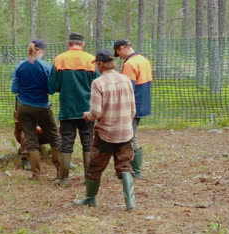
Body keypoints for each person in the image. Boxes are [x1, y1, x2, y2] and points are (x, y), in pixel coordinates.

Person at [73, 49, 137, 210]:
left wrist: (88, 115)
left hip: (105, 134)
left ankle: (90, 198)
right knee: (125, 167)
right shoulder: (125, 80)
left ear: (100, 64)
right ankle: (131, 203)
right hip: (126, 132)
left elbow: (96, 112)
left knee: (95, 167)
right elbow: (133, 109)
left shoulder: (98, 83)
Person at [48, 32, 99, 186]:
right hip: (87, 109)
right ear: (82, 44)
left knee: (66, 142)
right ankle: (89, 178)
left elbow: (52, 86)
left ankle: (63, 178)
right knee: (88, 141)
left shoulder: (60, 59)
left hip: (68, 109)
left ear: (68, 44)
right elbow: (97, 84)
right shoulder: (91, 60)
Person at [11, 39, 62, 180]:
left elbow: (14, 89)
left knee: (30, 138)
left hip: (23, 106)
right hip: (42, 106)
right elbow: (51, 90)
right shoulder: (46, 66)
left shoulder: (20, 66)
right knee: (54, 136)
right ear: (41, 50)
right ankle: (60, 171)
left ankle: (35, 174)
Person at [113, 39, 152, 178]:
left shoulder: (130, 64)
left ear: (122, 48)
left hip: (132, 106)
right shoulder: (143, 60)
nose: (120, 56)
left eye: (119, 53)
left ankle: (135, 170)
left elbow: (127, 88)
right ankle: (134, 169)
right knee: (132, 135)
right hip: (143, 104)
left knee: (130, 137)